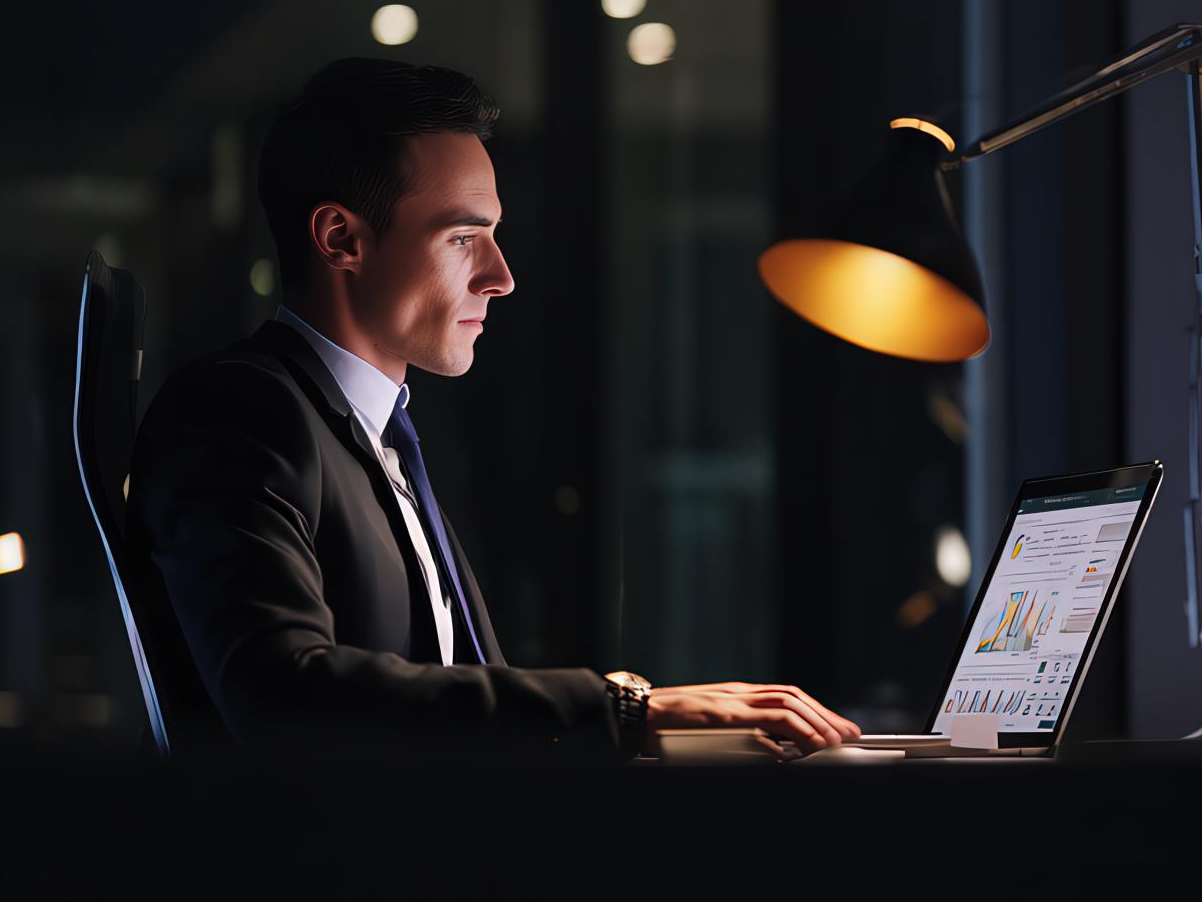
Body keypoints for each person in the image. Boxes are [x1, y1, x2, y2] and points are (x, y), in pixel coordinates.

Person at [126, 58, 858, 760]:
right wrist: (624, 710)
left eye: (494, 235)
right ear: (340, 239)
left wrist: (653, 722)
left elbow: (448, 702)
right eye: (463, 237)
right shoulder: (240, 410)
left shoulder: (370, 433)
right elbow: (283, 692)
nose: (501, 277)